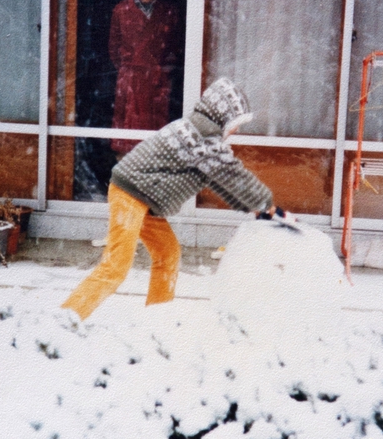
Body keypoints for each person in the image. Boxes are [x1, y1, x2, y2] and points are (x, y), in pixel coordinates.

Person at [61, 78, 275, 321]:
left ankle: (158, 316)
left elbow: (222, 177)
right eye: (236, 124)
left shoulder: (199, 132)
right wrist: (268, 207)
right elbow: (233, 175)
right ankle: (67, 317)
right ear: (223, 116)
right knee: (115, 267)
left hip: (143, 198)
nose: (236, 130)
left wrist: (255, 206)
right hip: (130, 195)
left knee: (168, 253)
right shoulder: (202, 137)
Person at [108, 0, 180, 156]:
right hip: (130, 84)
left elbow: (174, 51)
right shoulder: (121, 10)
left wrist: (160, 74)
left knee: (155, 145)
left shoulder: (168, 13)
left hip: (157, 85)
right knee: (126, 143)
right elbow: (113, 50)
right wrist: (129, 72)